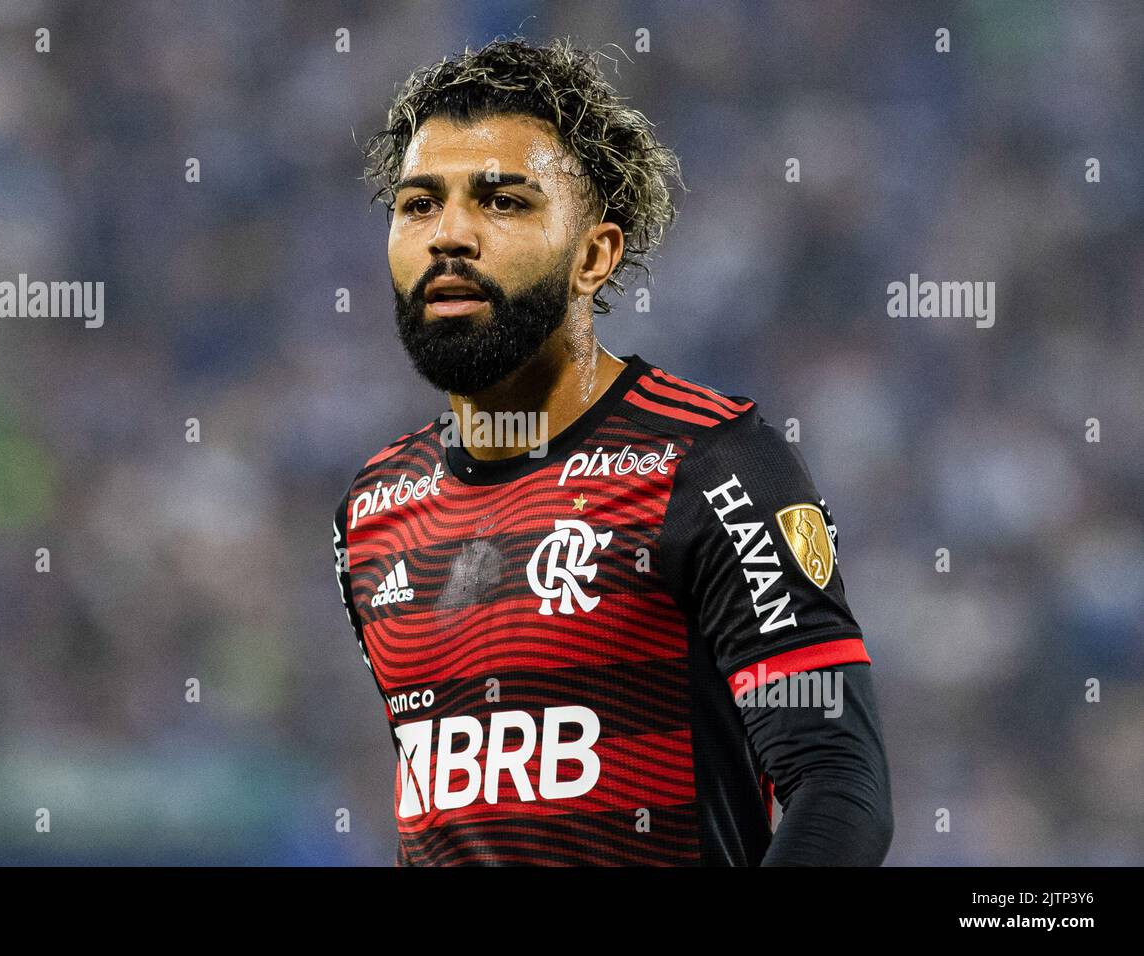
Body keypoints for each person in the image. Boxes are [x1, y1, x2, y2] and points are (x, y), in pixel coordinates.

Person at [332, 36, 892, 865]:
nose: (449, 235)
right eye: (419, 204)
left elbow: (837, 784)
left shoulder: (713, 468)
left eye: (503, 202)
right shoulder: (374, 512)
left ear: (595, 254)